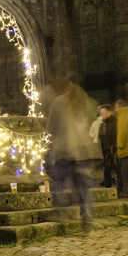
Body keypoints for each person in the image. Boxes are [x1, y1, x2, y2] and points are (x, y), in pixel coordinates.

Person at [46, 77, 94, 230]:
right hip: (83, 152)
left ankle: (60, 213)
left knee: (58, 182)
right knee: (83, 187)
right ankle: (87, 215)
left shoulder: (59, 102)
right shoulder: (86, 103)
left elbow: (50, 128)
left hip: (65, 151)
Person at [91, 104, 117, 188]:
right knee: (107, 166)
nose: (102, 114)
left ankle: (115, 185)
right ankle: (107, 183)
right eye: (101, 112)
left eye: (104, 112)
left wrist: (113, 147)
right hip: (105, 148)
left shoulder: (114, 121)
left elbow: (114, 134)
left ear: (109, 112)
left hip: (113, 148)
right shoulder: (102, 122)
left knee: (114, 167)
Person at [114, 98, 128, 197]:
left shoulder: (122, 115)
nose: (115, 110)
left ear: (119, 107)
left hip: (125, 149)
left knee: (125, 172)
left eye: (115, 107)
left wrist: (119, 145)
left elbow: (122, 132)